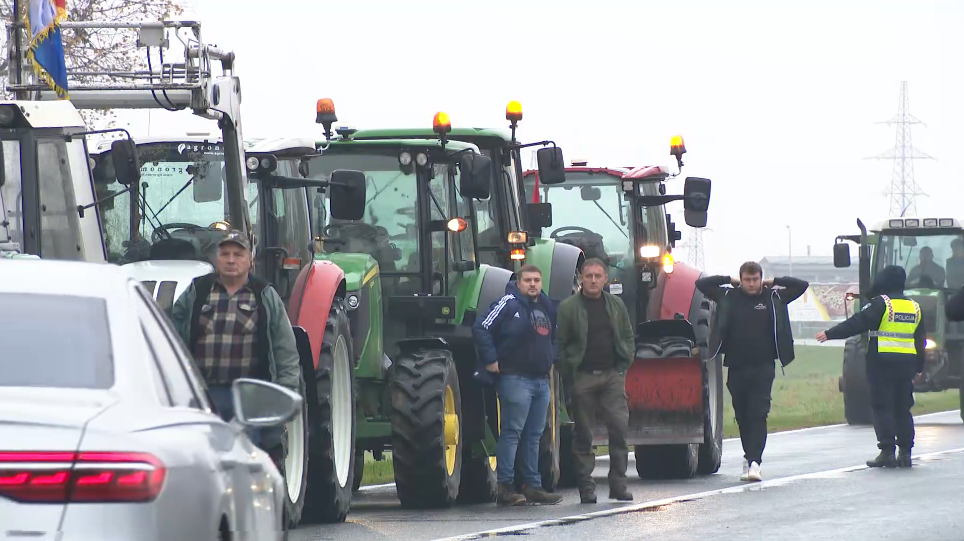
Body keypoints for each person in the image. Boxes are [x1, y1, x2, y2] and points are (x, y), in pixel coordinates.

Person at [171, 230, 302, 461]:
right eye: (225, 254)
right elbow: (172, 337)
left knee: (246, 461)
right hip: (205, 396)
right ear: (216, 259)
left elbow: (285, 349)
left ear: (250, 260)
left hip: (250, 398)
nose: (231, 260)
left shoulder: (264, 295)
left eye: (238, 254)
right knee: (206, 460)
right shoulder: (197, 291)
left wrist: (287, 393)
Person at [695, 262, 808, 482]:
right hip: (736, 367)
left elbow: (802, 286)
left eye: (755, 279)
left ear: (760, 278)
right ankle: (749, 457)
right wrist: (728, 279)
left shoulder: (773, 298)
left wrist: (774, 282)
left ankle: (756, 462)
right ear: (741, 279)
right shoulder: (728, 296)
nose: (752, 284)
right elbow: (702, 284)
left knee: (758, 414)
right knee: (743, 416)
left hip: (764, 366)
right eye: (747, 280)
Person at [816, 265, 924, 468]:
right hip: (906, 365)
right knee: (903, 408)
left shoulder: (881, 304)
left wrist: (830, 333)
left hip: (882, 363)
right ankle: (906, 453)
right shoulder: (914, 307)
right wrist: (919, 368)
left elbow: (856, 323)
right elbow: (920, 341)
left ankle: (887, 452)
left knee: (882, 406)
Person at [472, 264, 563, 506]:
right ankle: (505, 486)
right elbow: (481, 327)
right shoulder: (508, 303)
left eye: (536, 280)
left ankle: (532, 485)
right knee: (512, 433)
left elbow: (556, 337)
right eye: (528, 280)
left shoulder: (546, 307)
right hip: (514, 379)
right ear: (519, 282)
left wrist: (551, 359)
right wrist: (490, 360)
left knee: (534, 435)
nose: (532, 284)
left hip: (541, 381)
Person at [556, 258, 635, 504]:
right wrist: (568, 370)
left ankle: (618, 485)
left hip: (612, 375)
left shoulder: (616, 305)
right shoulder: (568, 307)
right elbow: (560, 344)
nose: (592, 280)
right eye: (588, 276)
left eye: (597, 276)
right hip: (582, 377)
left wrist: (624, 364)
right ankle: (586, 488)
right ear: (580, 278)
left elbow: (627, 335)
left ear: (605, 279)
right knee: (583, 435)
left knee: (620, 429)